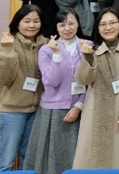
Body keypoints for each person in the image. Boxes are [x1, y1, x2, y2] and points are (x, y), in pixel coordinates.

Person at [72, 8, 119, 169]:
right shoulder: (92, 50)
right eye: (103, 24)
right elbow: (83, 80)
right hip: (95, 113)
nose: (108, 27)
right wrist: (88, 58)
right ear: (97, 28)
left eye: (112, 23)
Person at [24, 9, 88, 174]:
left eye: (71, 23)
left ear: (78, 24)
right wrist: (57, 55)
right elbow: (51, 81)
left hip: (82, 109)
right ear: (56, 27)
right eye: (62, 24)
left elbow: (92, 82)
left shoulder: (87, 46)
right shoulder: (46, 50)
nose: (67, 28)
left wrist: (79, 105)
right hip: (52, 111)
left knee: (78, 159)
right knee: (52, 159)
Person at [0, 5, 47, 171]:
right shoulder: (7, 43)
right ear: (17, 23)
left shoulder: (45, 44)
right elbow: (3, 79)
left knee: (28, 161)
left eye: (36, 21)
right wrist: (7, 51)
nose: (32, 25)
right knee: (6, 162)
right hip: (13, 112)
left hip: (36, 111)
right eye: (27, 21)